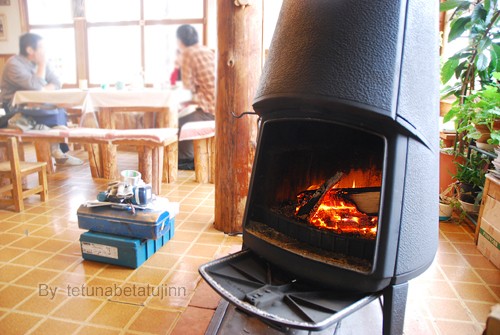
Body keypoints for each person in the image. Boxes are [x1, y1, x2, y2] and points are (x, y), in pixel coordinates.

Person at [0, 32, 83, 166]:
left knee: (58, 109)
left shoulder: (38, 62)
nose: (45, 52)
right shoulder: (13, 64)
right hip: (14, 107)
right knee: (52, 116)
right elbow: (36, 87)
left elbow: (56, 82)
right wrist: (42, 66)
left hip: (37, 105)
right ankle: (56, 149)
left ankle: (58, 151)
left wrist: (43, 89)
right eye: (42, 48)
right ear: (29, 49)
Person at [176, 24, 215, 170]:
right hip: (220, 106)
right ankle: (192, 155)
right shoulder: (207, 50)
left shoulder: (187, 53)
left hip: (208, 108)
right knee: (184, 114)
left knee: (178, 119)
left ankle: (186, 158)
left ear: (180, 40)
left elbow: (188, 87)